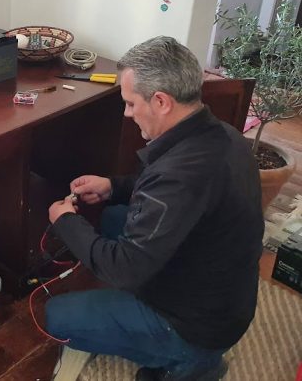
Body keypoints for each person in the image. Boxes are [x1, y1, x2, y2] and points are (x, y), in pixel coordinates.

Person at [44, 36, 263, 381]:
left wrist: (66, 221)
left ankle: (194, 364)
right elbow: (168, 197)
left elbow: (123, 269)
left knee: (58, 317)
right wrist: (112, 187)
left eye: (131, 104)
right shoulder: (222, 135)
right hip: (224, 294)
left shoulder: (178, 175)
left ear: (161, 101)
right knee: (114, 216)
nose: (127, 113)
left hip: (196, 326)